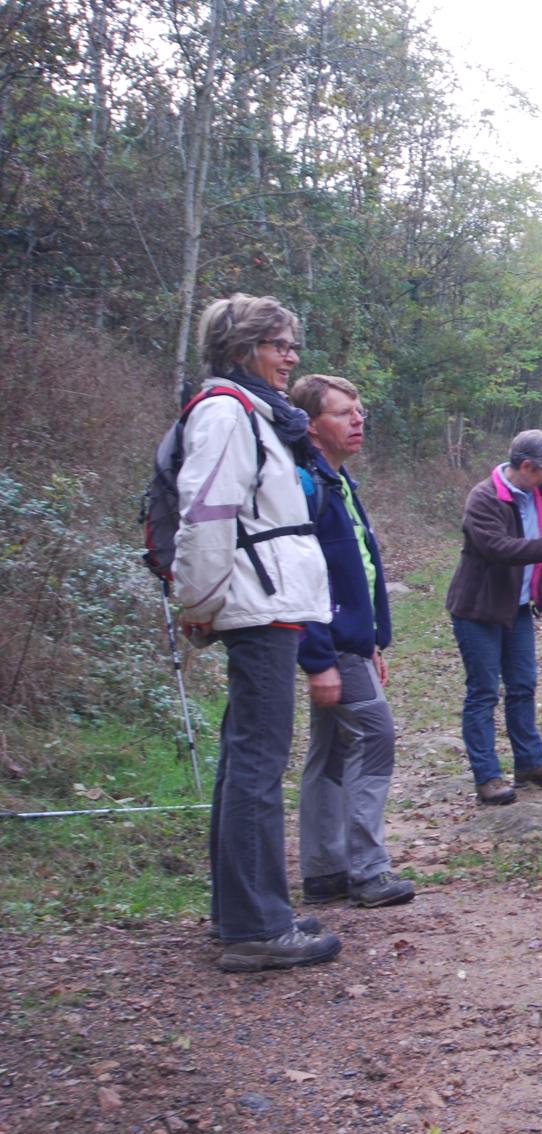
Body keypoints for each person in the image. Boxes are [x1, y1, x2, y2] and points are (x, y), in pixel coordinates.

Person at [172, 293, 339, 972]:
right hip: (255, 604)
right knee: (258, 763)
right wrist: (201, 600)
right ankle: (254, 926)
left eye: (292, 343)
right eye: (279, 344)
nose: (291, 357)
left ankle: (243, 909)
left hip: (265, 600)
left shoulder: (255, 412)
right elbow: (206, 513)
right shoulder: (225, 412)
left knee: (249, 757)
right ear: (242, 349)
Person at [286, 374, 412, 909]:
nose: (358, 420)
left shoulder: (339, 482)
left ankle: (324, 869)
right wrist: (319, 657)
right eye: (342, 413)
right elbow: (300, 577)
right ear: (312, 426)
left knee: (332, 749)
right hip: (330, 643)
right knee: (375, 737)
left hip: (349, 643)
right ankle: (368, 869)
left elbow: (356, 569)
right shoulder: (304, 484)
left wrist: (372, 641)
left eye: (359, 411)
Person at [446, 430, 542, 806]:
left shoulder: (540, 491)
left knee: (523, 685)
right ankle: (488, 776)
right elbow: (499, 549)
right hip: (478, 609)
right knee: (483, 692)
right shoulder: (484, 498)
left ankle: (530, 763)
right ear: (526, 466)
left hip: (518, 609)